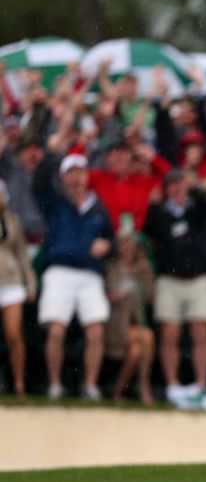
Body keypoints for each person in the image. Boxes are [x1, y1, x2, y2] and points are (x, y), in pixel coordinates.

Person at [34, 153, 114, 400]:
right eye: (71, 172)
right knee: (56, 330)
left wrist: (106, 245)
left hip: (90, 274)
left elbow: (109, 237)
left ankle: (90, 386)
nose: (77, 177)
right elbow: (38, 181)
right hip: (60, 271)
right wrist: (54, 151)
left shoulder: (98, 207)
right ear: (63, 177)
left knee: (96, 332)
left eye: (80, 171)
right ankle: (55, 385)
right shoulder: (55, 202)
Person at [143, 169, 206, 411]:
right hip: (170, 280)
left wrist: (194, 188)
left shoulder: (197, 208)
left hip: (199, 279)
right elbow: (150, 231)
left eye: (180, 184)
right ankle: (173, 386)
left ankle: (201, 385)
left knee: (201, 333)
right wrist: (154, 206)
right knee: (169, 334)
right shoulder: (160, 212)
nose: (177, 189)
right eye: (172, 185)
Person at [104, 229, 155, 405]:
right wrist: (116, 296)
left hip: (132, 325)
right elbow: (104, 294)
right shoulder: (111, 267)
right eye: (123, 243)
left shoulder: (142, 268)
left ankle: (118, 392)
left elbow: (149, 296)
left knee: (136, 352)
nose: (127, 247)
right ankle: (144, 388)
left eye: (130, 243)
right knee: (147, 336)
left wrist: (143, 272)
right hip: (113, 325)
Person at [0, 180, 36, 398]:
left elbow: (22, 254)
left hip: (11, 280)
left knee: (14, 334)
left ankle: (19, 383)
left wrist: (30, 282)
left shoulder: (13, 220)